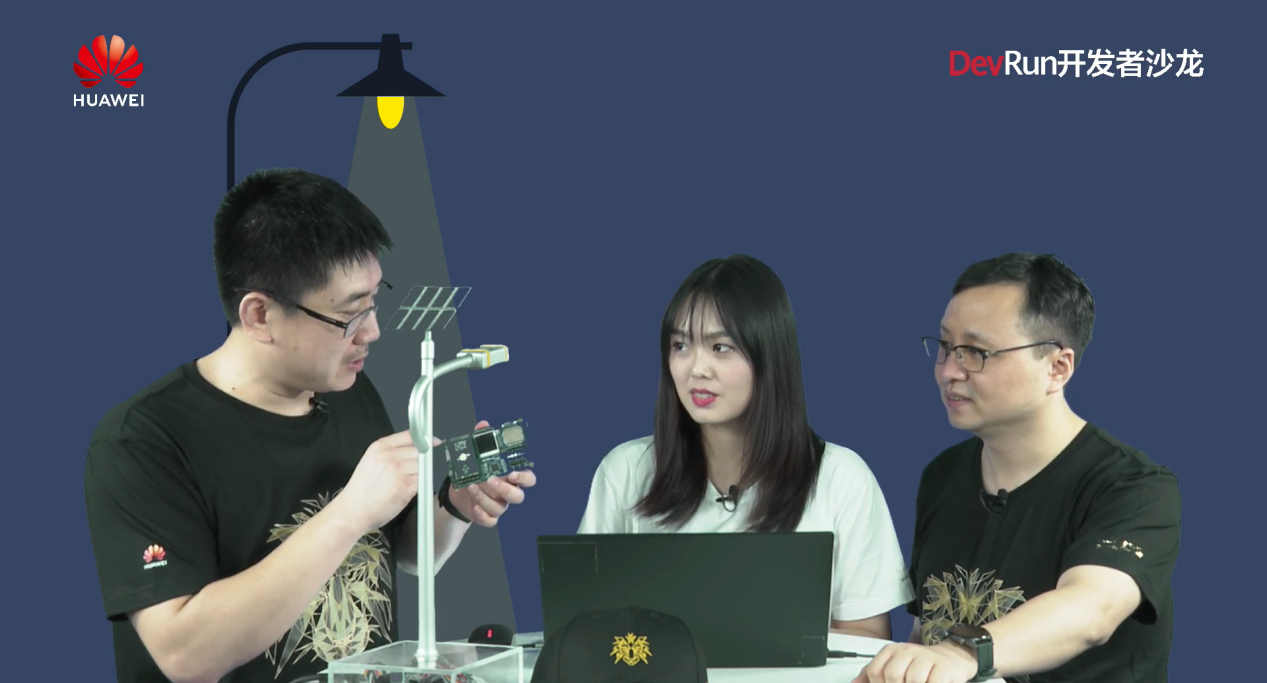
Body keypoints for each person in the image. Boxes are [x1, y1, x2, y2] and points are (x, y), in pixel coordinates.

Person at [83, 168, 537, 683]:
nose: (372, 331)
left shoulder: (349, 390)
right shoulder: (143, 440)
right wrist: (349, 512)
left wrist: (453, 505)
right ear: (259, 315)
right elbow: (186, 656)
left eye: (374, 301)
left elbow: (403, 552)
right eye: (349, 315)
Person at [854, 253, 1181, 683]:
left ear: (1057, 368)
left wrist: (966, 653)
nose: (949, 371)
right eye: (946, 347)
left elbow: (1092, 609)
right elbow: (928, 629)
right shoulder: (942, 475)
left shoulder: (1133, 487)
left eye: (975, 352)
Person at [577, 254, 913, 640]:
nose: (696, 369)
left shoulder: (841, 479)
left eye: (720, 347)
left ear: (769, 356)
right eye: (681, 345)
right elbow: (586, 624)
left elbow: (866, 640)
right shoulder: (625, 471)